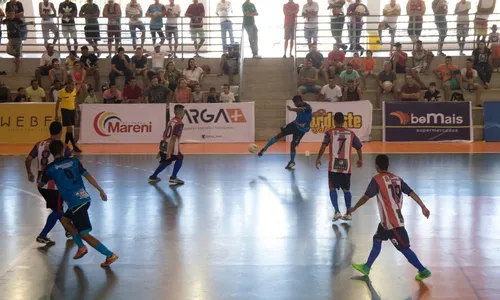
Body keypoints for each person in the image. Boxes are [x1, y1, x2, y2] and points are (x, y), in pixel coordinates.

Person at [349, 154, 432, 281]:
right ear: (388, 165)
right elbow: (411, 192)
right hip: (386, 222)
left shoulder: (377, 180)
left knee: (404, 249)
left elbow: (366, 197)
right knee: (377, 239)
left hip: (393, 224)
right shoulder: (397, 179)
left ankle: (423, 270)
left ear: (376, 166)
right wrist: (423, 206)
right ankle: (367, 267)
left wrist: (354, 207)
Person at [39, 140, 118, 267]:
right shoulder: (74, 162)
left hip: (75, 203)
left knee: (84, 233)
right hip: (84, 199)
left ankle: (109, 254)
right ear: (62, 150)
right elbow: (87, 175)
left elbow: (41, 184)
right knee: (65, 220)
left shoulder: (50, 169)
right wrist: (100, 190)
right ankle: (81, 247)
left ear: (52, 153)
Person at [25, 121, 72, 245]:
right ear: (61, 132)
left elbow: (28, 159)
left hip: (41, 183)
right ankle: (43, 235)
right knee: (57, 210)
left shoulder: (39, 144)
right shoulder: (63, 146)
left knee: (57, 208)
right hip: (55, 185)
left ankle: (68, 229)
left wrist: (29, 173)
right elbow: (71, 163)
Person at [316, 112, 362, 221]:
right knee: (346, 190)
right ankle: (349, 213)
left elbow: (323, 145)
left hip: (333, 166)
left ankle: (337, 212)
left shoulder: (330, 133)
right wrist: (360, 159)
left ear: (334, 120)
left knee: (332, 188)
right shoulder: (351, 133)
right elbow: (359, 147)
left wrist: (318, 158)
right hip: (346, 166)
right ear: (344, 121)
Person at [258, 95, 312, 170]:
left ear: (299, 101)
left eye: (295, 103)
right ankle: (264, 148)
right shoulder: (299, 106)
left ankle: (292, 161)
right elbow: (299, 109)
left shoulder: (308, 107)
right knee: (279, 135)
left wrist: (292, 109)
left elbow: (300, 110)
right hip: (294, 124)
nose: (295, 104)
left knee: (293, 145)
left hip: (302, 130)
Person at [148, 104, 186, 184]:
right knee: (180, 158)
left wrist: (161, 149)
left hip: (165, 145)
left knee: (167, 161)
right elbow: (173, 138)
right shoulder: (179, 123)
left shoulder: (171, 121)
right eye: (183, 112)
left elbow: (165, 134)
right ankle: (173, 177)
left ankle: (153, 176)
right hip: (172, 147)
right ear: (182, 112)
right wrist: (169, 152)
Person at [55, 80, 82, 153]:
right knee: (69, 128)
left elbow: (74, 101)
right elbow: (57, 103)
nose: (73, 86)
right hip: (65, 111)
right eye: (72, 85)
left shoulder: (74, 91)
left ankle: (65, 146)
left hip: (72, 110)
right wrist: (56, 114)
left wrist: (76, 111)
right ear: (68, 85)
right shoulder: (62, 92)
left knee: (69, 130)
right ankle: (74, 146)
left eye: (74, 85)